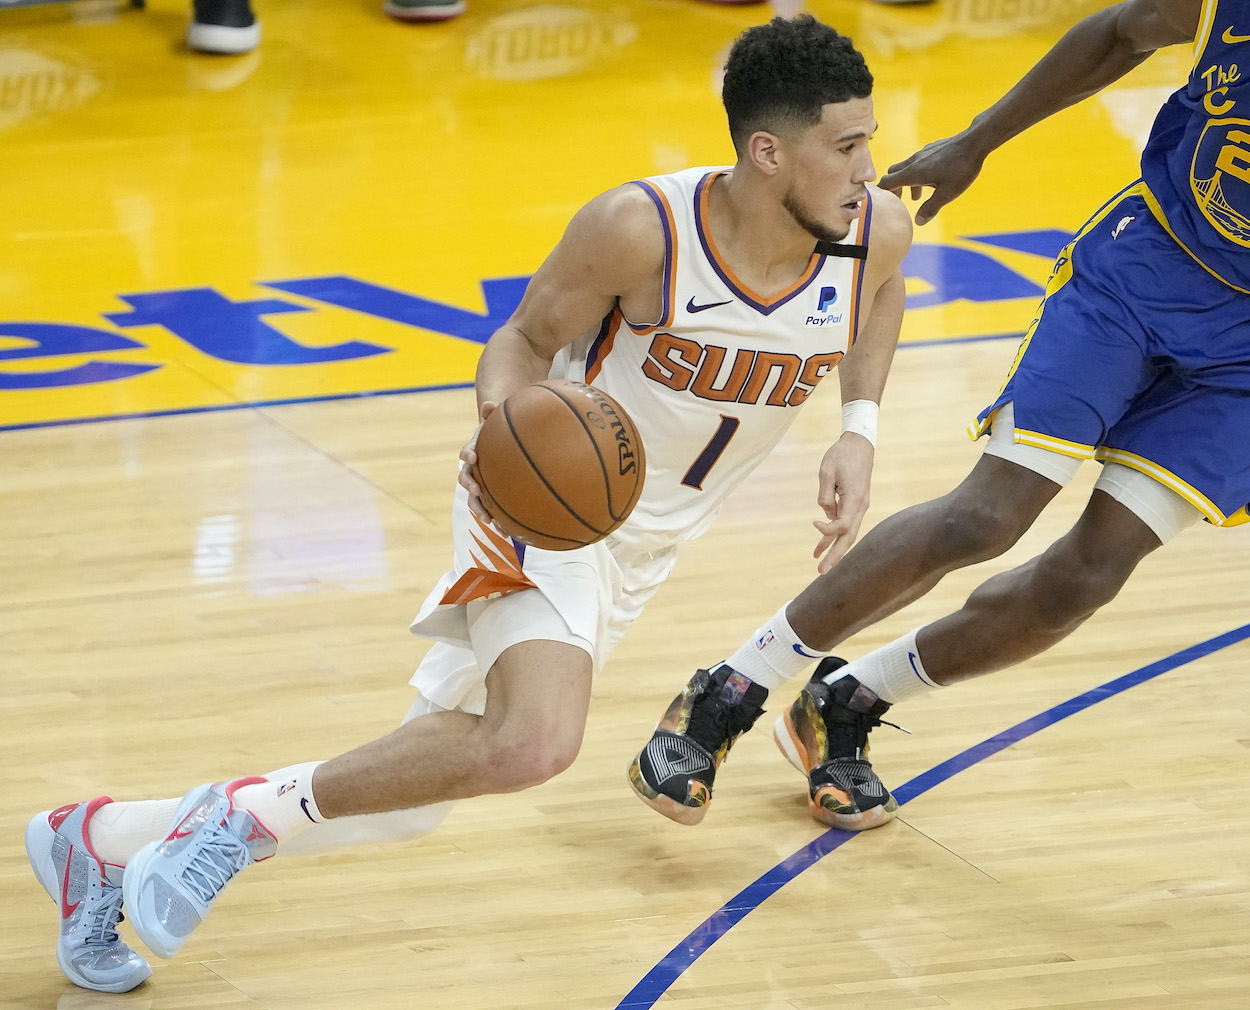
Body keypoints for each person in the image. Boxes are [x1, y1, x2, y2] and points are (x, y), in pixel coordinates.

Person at [25, 14, 912, 994]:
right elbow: (522, 340)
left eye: (866, 140)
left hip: (643, 544)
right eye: (846, 144)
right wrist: (505, 427)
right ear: (766, 149)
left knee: (426, 788)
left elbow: (876, 302)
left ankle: (95, 840)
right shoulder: (640, 229)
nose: (866, 165)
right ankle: (237, 822)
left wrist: (857, 429)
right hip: (547, 502)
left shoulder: (870, 231)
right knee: (536, 739)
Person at [629, 0, 1249, 833]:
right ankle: (730, 689)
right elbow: (1115, 32)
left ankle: (847, 701)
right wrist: (977, 141)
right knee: (985, 517)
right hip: (1145, 274)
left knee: (1087, 578)